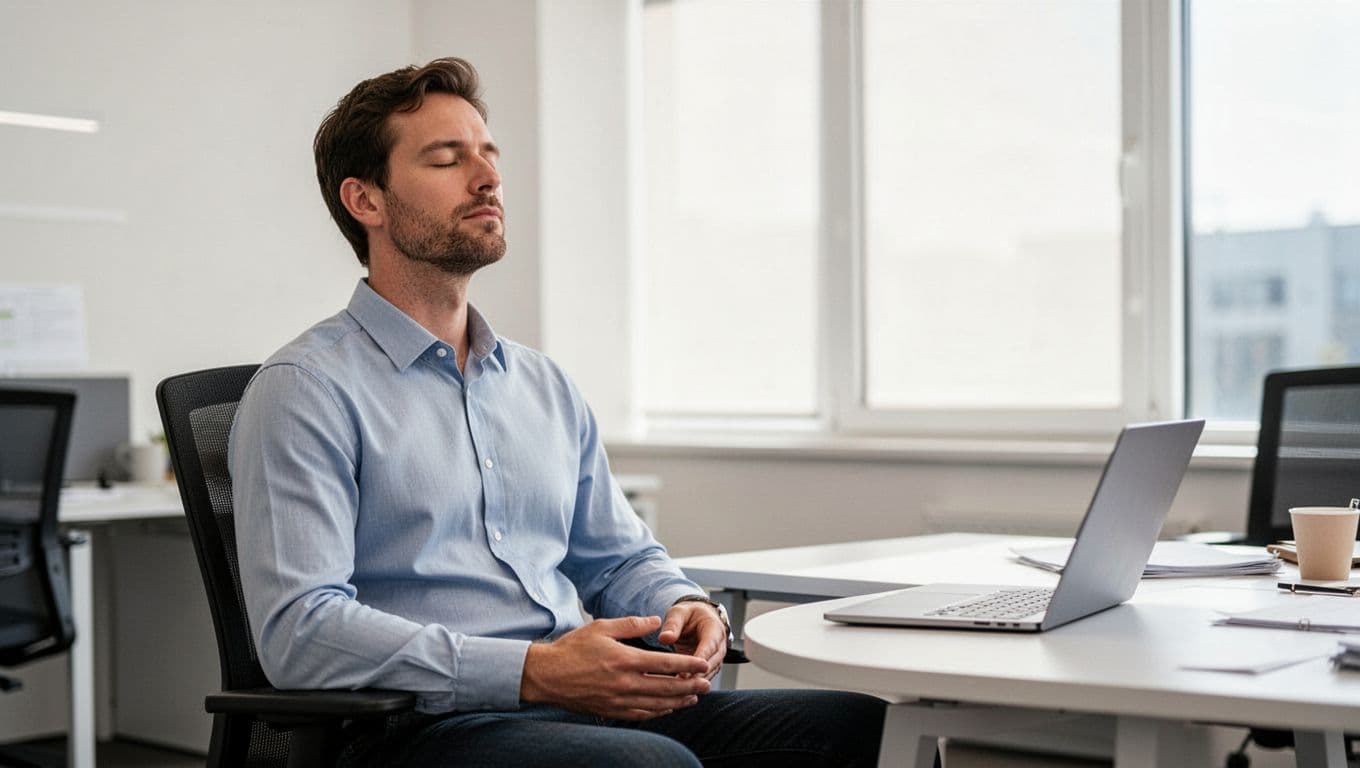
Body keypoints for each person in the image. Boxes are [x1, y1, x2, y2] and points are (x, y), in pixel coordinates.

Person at [229, 57, 887, 768]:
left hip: (575, 707)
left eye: (488, 155)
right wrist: (532, 670)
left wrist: (683, 602)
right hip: (417, 729)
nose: (487, 178)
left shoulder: (540, 385)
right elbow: (301, 632)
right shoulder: (305, 389)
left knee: (861, 726)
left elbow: (618, 557)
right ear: (367, 201)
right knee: (651, 766)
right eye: (448, 159)